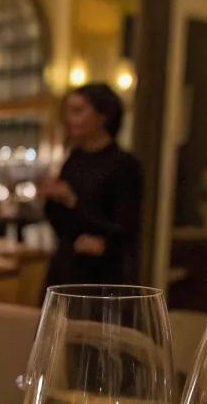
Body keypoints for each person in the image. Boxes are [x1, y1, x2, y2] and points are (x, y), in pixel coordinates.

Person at [40, 82, 142, 287]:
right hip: (67, 267)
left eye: (77, 111)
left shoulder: (124, 164)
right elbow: (61, 226)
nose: (69, 119)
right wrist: (52, 198)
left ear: (103, 116)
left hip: (103, 274)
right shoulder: (74, 159)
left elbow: (126, 228)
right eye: (67, 112)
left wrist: (72, 200)